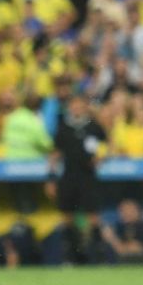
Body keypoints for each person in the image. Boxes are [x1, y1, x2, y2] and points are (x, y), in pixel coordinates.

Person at [45, 95, 107, 263]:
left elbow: (107, 145)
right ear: (70, 108)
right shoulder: (64, 127)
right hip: (69, 177)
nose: (77, 108)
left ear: (85, 107)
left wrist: (101, 157)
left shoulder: (94, 127)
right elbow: (55, 154)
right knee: (67, 218)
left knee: (93, 217)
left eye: (80, 105)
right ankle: (72, 257)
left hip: (88, 177)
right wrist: (50, 178)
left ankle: (98, 257)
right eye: (74, 105)